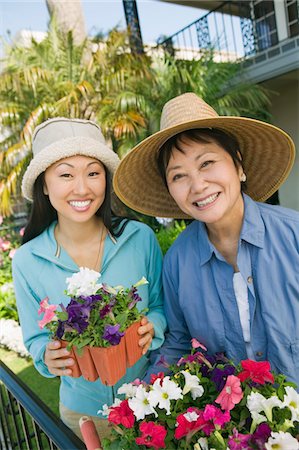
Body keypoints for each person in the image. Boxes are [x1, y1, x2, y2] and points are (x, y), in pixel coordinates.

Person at [113, 92, 299, 387]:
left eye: (207, 163)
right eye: (178, 176)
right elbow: (178, 344)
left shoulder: (294, 235)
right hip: (233, 430)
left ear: (239, 166)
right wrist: (137, 399)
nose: (198, 185)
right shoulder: (177, 262)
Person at [12, 117, 166, 439]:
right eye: (66, 174)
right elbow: (36, 339)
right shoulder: (27, 260)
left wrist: (155, 326)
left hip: (148, 400)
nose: (82, 188)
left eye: (93, 173)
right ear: (44, 183)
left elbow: (161, 307)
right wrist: (47, 356)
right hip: (82, 415)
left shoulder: (139, 238)